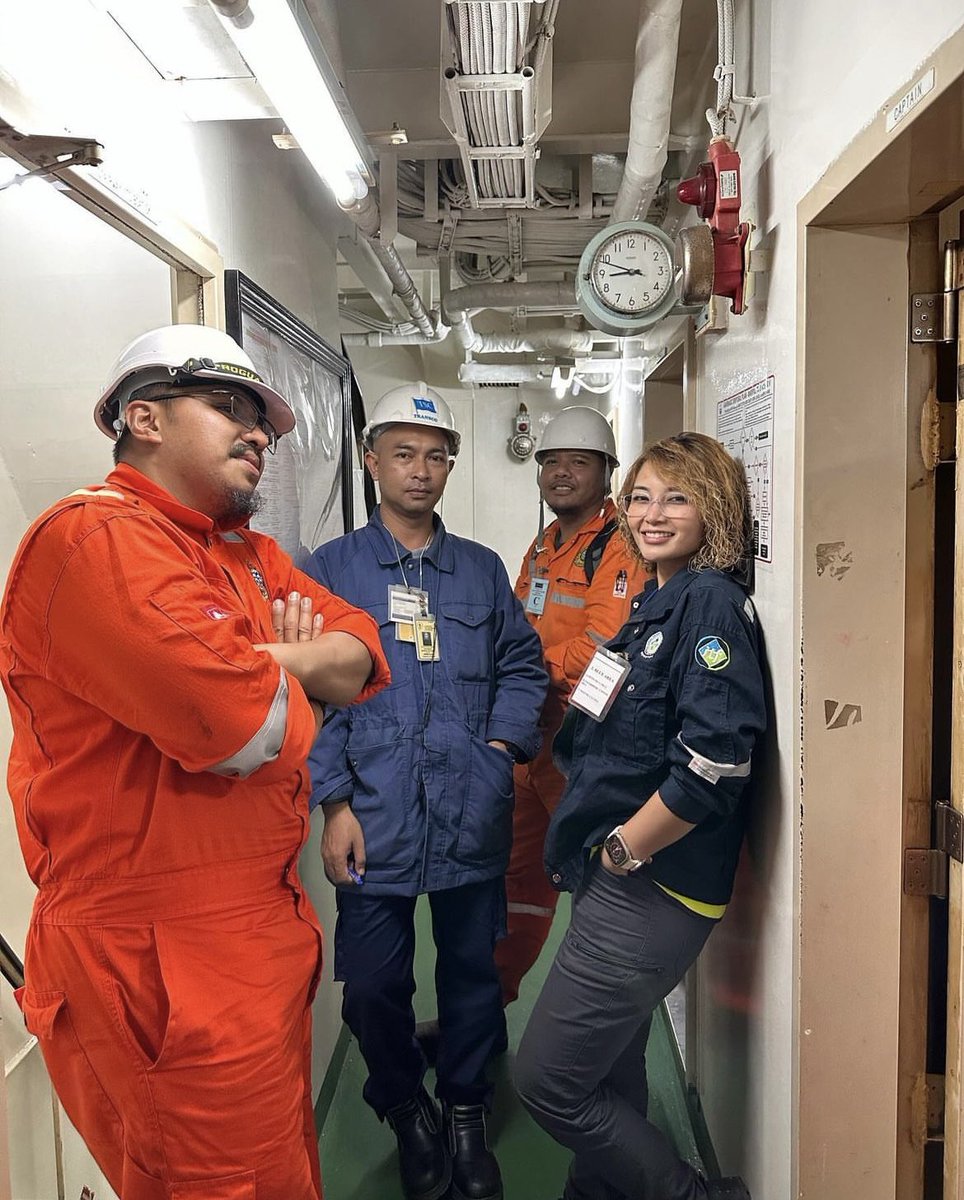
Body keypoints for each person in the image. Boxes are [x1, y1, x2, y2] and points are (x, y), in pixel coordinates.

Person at [0, 323, 390, 1200]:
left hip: (253, 933)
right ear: (143, 417)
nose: (257, 434)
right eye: (226, 408)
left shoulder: (246, 556)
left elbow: (362, 648)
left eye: (263, 421)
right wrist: (289, 670)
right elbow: (241, 732)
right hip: (157, 962)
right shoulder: (94, 543)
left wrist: (266, 659)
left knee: (282, 1172)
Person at [305, 382, 547, 1200]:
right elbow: (314, 696)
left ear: (450, 467)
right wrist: (333, 803)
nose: (420, 470)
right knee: (374, 984)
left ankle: (468, 1110)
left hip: (471, 807)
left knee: (474, 970)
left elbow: (523, 666)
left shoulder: (479, 570)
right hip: (372, 813)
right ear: (371, 462)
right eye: (403, 454)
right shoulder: (331, 570)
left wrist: (501, 748)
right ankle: (407, 1107)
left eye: (436, 455)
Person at [514, 432, 766, 1200]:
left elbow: (714, 765)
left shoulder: (710, 604)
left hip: (651, 884)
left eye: (678, 497)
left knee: (549, 1081)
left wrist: (623, 851)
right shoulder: (658, 596)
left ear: (715, 506)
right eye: (644, 496)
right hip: (614, 872)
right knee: (609, 1063)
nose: (653, 513)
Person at [494, 406, 645, 1005]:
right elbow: (514, 623)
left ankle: (587, 1027)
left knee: (595, 879)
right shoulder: (545, 544)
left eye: (577, 462)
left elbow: (606, 645)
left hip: (583, 748)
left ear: (605, 472)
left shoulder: (619, 545)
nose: (561, 473)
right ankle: (489, 1009)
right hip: (529, 744)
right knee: (513, 878)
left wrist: (526, 676)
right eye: (550, 462)